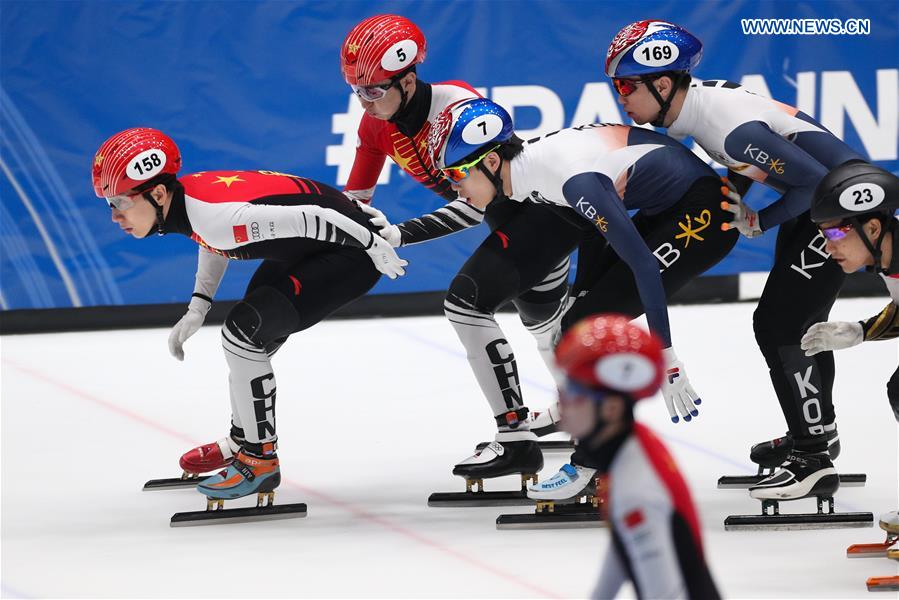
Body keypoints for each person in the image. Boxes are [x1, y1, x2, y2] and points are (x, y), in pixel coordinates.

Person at [415, 97, 738, 497]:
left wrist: (666, 356)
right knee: (579, 320)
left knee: (584, 321)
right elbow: (591, 230)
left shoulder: (568, 177)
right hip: (666, 203)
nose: (453, 186)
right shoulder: (532, 174)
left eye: (457, 173)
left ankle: (593, 466)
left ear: (493, 163)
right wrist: (581, 298)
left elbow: (643, 265)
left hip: (704, 212)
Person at [604, 19, 869, 501]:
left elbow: (813, 185)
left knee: (781, 325)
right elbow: (768, 166)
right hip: (825, 204)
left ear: (664, 84)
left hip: (840, 209)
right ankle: (818, 433)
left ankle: (812, 457)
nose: (620, 97)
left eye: (626, 85)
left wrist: (759, 221)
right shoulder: (702, 109)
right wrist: (738, 195)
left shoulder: (724, 124)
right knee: (797, 322)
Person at [92, 127, 406, 504]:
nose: (114, 215)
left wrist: (373, 244)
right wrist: (198, 306)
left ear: (157, 193)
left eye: (119, 202)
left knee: (243, 334)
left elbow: (313, 215)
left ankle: (259, 460)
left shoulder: (215, 218)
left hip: (349, 252)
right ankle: (243, 441)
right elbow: (210, 241)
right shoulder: (188, 202)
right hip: (311, 249)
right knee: (249, 336)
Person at [343, 15, 591, 487]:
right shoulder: (375, 126)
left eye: (373, 90)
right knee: (544, 323)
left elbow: (476, 207)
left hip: (539, 214)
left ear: (408, 79)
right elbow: (355, 202)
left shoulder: (457, 107)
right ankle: (580, 413)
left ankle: (516, 440)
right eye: (358, 92)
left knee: (465, 305)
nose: (365, 102)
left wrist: (399, 234)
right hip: (519, 222)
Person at [554, 314, 720, 599]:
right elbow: (623, 547)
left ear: (611, 410)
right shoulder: (634, 443)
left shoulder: (637, 493)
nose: (561, 405)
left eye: (573, 394)